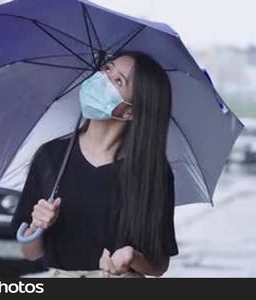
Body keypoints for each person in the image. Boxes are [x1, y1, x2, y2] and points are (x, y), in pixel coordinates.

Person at [10, 50, 178, 278]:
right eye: (107, 68)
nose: (103, 78)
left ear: (130, 111)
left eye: (118, 80)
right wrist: (38, 225)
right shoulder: (51, 156)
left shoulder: (152, 173)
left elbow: (159, 265)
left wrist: (132, 257)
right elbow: (30, 253)